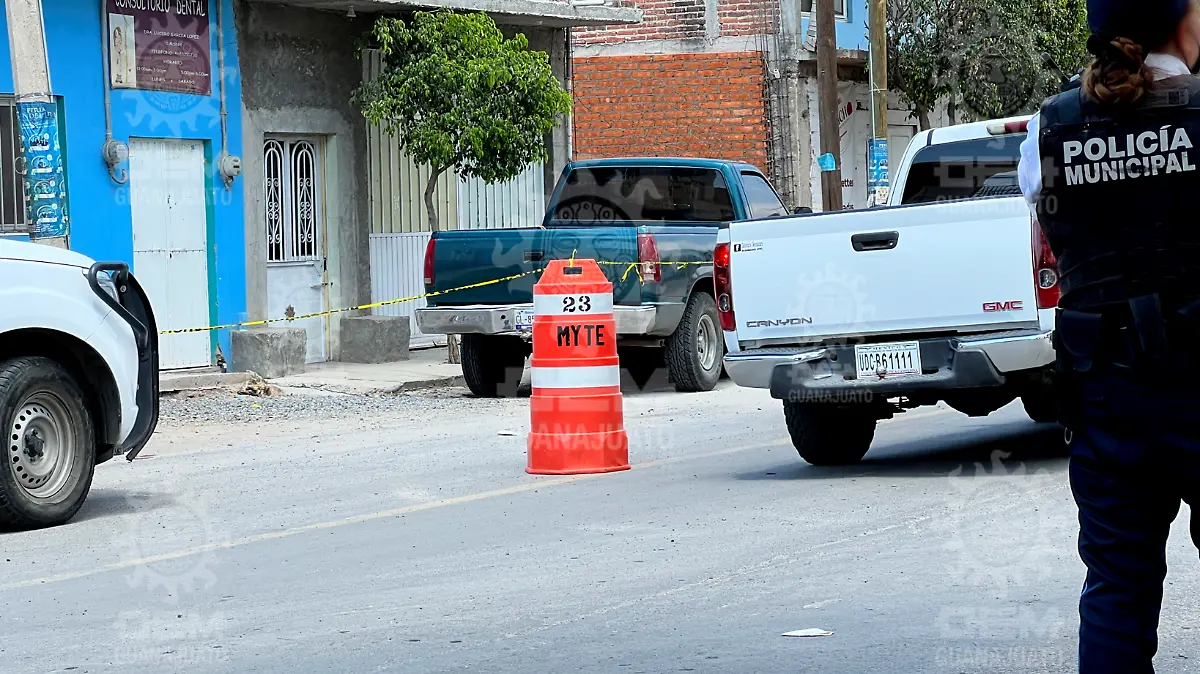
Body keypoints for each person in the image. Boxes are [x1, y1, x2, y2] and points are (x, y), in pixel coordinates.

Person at [1017, 0, 1200, 671]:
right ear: (1182, 22)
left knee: (1117, 589)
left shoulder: (1049, 128)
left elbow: (1055, 234)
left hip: (1105, 397)